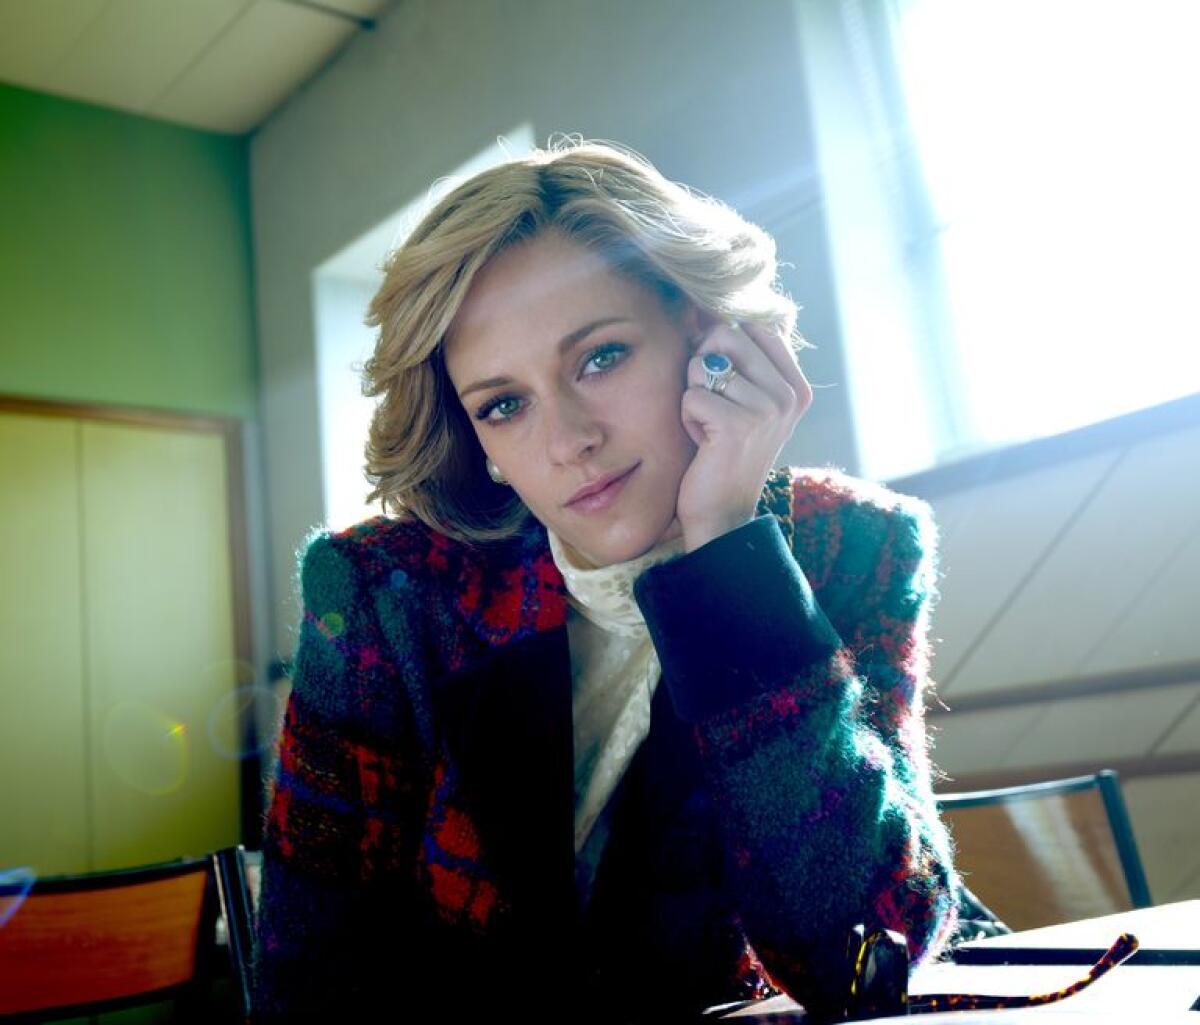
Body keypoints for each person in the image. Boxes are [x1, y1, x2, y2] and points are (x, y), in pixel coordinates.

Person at [251, 139, 960, 1023]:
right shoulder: (383, 595)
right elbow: (307, 983)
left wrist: (727, 553)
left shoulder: (854, 545)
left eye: (600, 358)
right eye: (504, 405)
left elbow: (860, 953)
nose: (568, 439)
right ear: (483, 448)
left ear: (705, 335)